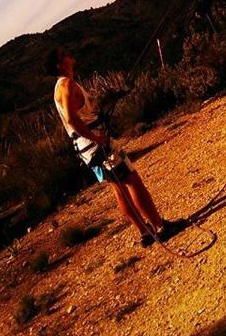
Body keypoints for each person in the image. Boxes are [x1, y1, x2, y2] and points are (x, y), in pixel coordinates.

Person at [48, 47, 180, 248]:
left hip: (87, 150)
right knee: (132, 180)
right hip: (98, 146)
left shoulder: (59, 86)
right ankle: (161, 227)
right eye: (65, 54)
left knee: (118, 187)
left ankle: (145, 232)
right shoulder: (66, 85)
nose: (70, 54)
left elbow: (82, 113)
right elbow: (70, 118)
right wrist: (96, 137)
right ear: (60, 64)